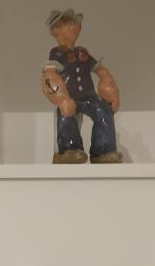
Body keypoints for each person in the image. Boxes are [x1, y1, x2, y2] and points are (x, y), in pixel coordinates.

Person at [40, 9, 122, 165]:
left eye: (74, 22)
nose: (74, 25)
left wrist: (112, 93)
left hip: (89, 96)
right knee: (66, 116)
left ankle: (104, 150)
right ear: (56, 30)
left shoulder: (83, 51)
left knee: (103, 110)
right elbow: (49, 75)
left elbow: (101, 71)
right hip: (69, 97)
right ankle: (69, 150)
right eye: (68, 23)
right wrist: (61, 99)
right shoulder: (57, 53)